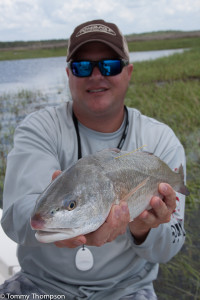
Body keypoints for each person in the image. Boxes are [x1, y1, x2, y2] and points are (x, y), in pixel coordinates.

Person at [0, 19, 186, 300]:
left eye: (109, 65)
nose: (96, 75)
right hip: (41, 285)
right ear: (68, 74)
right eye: (82, 66)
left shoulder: (161, 140)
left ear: (128, 72)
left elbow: (171, 246)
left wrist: (143, 227)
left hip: (128, 288)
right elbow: (18, 214)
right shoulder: (39, 128)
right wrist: (53, 222)